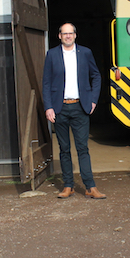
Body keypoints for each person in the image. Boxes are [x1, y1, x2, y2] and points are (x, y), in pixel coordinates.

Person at [42, 23, 105, 199]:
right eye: (65, 33)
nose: (68, 36)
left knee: (82, 148)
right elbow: (46, 82)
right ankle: (68, 186)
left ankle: (90, 187)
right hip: (59, 108)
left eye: (71, 33)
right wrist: (48, 107)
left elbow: (96, 76)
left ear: (75, 35)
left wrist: (93, 100)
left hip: (80, 107)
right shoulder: (52, 55)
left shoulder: (85, 53)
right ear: (59, 36)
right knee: (64, 149)